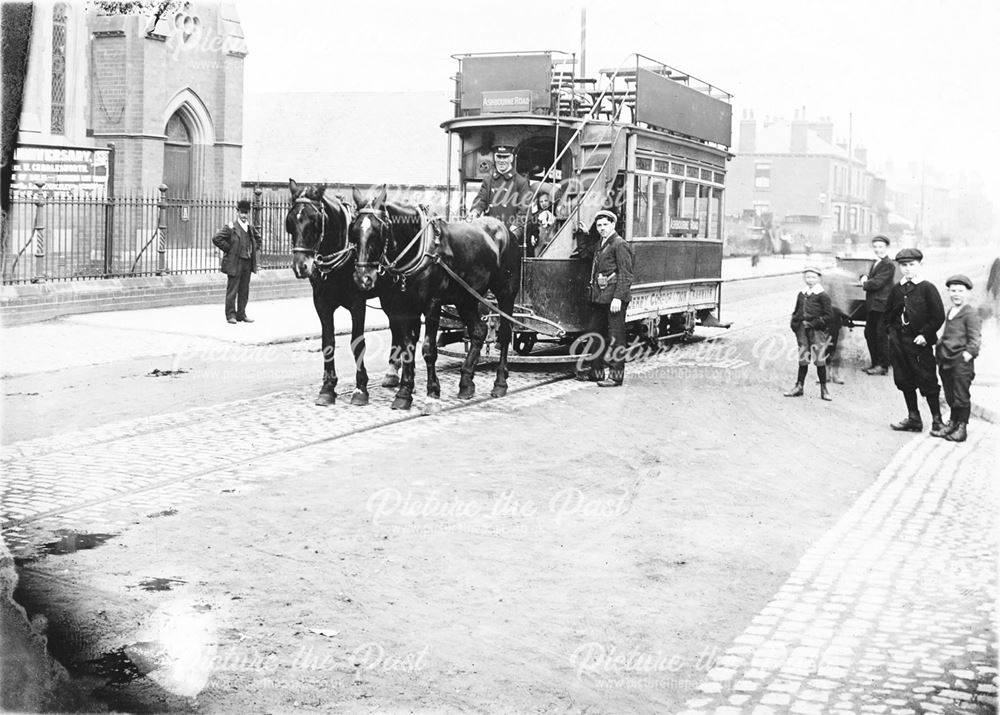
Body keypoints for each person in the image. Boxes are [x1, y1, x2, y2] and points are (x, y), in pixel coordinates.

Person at [882, 248, 945, 432]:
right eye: (903, 265)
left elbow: (938, 316)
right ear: (899, 267)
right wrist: (892, 333)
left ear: (920, 265)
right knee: (904, 379)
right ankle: (914, 418)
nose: (908, 269)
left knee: (928, 380)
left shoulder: (927, 288)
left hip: (919, 344)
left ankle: (937, 420)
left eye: (911, 265)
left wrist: (924, 334)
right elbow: (888, 314)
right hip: (899, 343)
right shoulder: (897, 289)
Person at [575, 210, 635, 387]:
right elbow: (585, 254)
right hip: (600, 299)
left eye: (605, 225)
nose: (602, 228)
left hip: (614, 300)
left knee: (616, 338)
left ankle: (616, 377)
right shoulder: (601, 243)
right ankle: (596, 373)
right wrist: (583, 235)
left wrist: (618, 298)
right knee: (596, 335)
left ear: (613, 225)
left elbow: (626, 275)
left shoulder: (619, 244)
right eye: (599, 225)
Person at [932, 275, 982, 442]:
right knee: (950, 394)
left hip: (961, 362)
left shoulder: (970, 313)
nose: (956, 294)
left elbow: (975, 338)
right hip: (946, 359)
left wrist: (968, 354)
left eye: (960, 291)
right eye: (953, 291)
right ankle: (952, 423)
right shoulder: (951, 311)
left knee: (961, 395)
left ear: (968, 293)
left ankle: (962, 427)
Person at [783, 267, 834, 401]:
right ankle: (799, 386)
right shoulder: (802, 293)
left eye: (813, 277)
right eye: (807, 277)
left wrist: (813, 324)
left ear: (819, 278)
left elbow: (828, 316)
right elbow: (796, 311)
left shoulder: (823, 295)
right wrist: (795, 325)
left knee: (819, 359)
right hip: (802, 330)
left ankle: (824, 389)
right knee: (803, 358)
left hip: (816, 331)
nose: (810, 280)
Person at [469, 144, 531, 242]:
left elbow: (524, 212)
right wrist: (475, 212)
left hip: (510, 236)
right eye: (499, 157)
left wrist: (513, 232)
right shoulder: (488, 180)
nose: (502, 161)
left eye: (505, 157)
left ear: (511, 158)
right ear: (494, 157)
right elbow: (481, 200)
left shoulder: (521, 182)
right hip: (490, 235)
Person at [213, 198, 261, 324]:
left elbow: (258, 239)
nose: (244, 215)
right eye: (242, 213)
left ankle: (241, 314)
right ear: (238, 212)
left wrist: (253, 249)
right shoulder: (231, 227)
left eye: (246, 213)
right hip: (235, 262)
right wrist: (230, 249)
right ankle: (230, 315)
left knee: (244, 290)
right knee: (232, 290)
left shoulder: (250, 228)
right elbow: (216, 239)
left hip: (247, 262)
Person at [860, 235, 896, 375]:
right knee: (870, 333)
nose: (877, 249)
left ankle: (883, 365)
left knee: (880, 335)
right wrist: (864, 277)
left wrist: (864, 282)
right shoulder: (878, 262)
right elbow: (873, 279)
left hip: (882, 306)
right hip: (874, 305)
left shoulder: (888, 264)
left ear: (886, 247)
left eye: (880, 247)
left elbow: (877, 283)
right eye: (875, 247)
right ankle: (875, 363)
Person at [525, 191, 558, 257]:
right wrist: (532, 235)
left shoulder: (555, 213)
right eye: (541, 201)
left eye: (546, 201)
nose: (543, 203)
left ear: (550, 201)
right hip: (538, 243)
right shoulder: (535, 215)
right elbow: (532, 226)